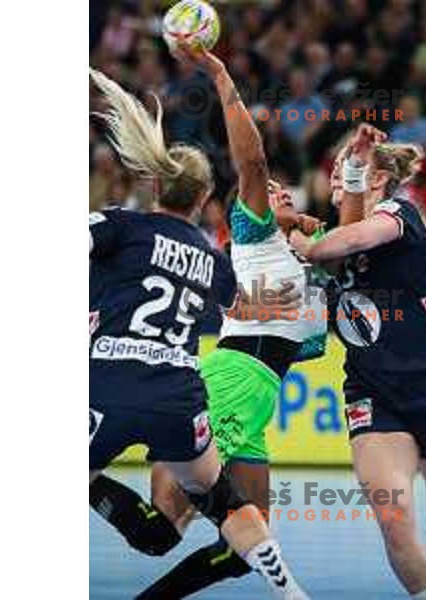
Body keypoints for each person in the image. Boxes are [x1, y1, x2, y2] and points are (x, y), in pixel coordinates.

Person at [90, 47, 326, 599]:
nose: (277, 194)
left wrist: (316, 243)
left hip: (252, 390)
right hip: (230, 380)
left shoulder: (286, 256)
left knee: (221, 538)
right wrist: (222, 75)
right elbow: (253, 164)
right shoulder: (250, 228)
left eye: (283, 194)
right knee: (202, 523)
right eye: (270, 193)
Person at [288, 135, 426, 600]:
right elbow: (336, 243)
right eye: (336, 166)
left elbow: (354, 235)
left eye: (348, 166)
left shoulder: (400, 214)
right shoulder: (329, 241)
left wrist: (301, 243)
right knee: (393, 518)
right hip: (373, 393)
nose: (335, 171)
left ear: (377, 179)